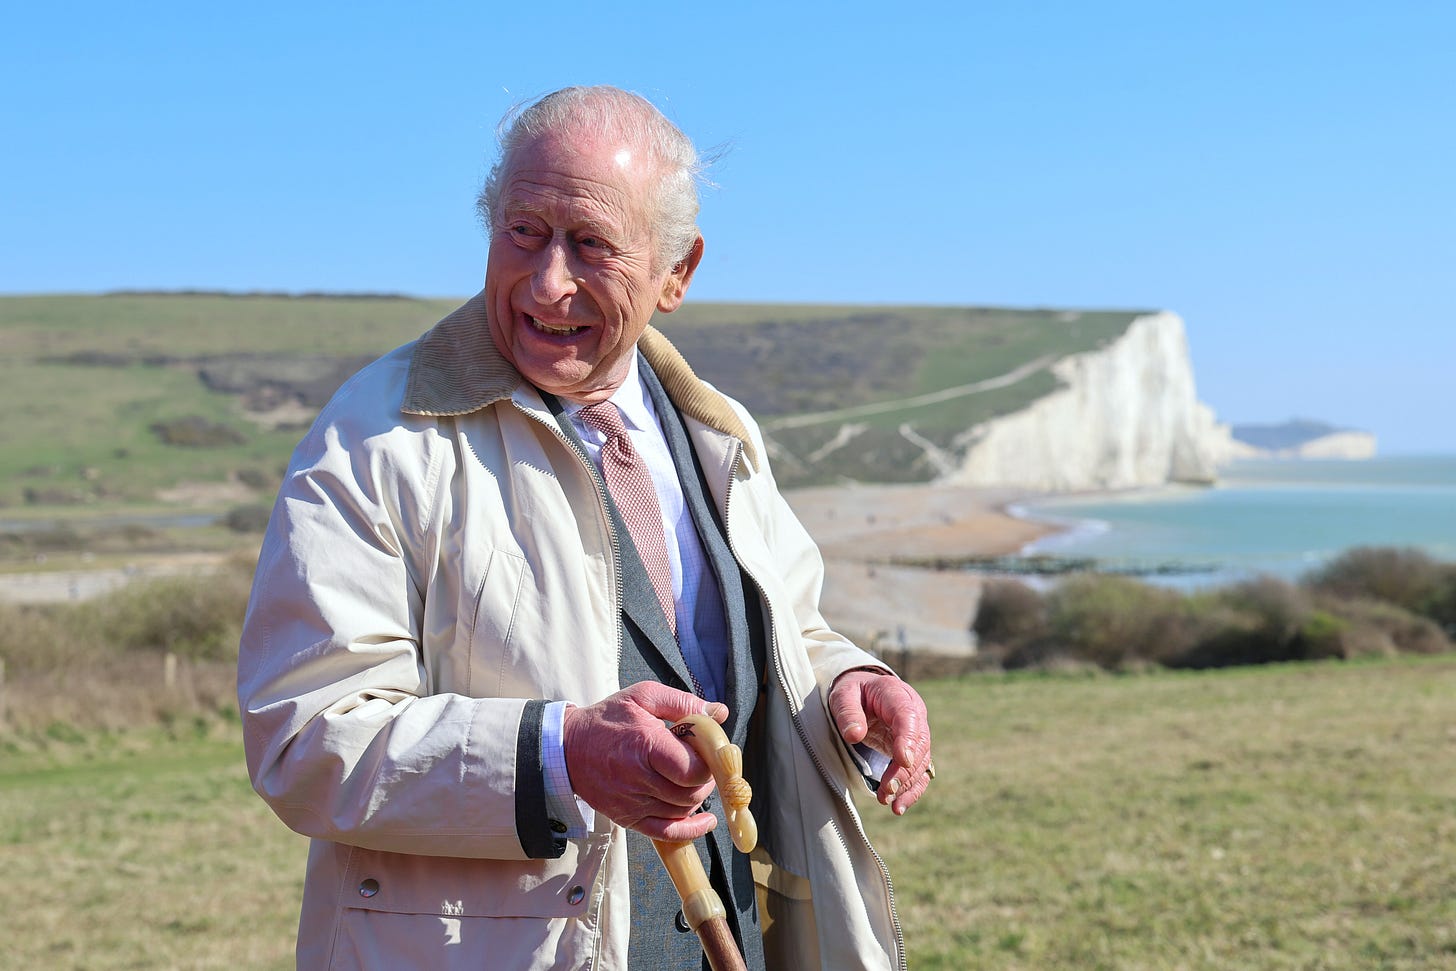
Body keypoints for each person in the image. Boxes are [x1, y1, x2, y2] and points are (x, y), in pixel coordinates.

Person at [238, 85, 934, 971]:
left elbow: (784, 631)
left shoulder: (720, 435)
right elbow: (304, 734)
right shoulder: (375, 437)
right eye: (523, 231)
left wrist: (846, 685)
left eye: (592, 244)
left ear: (678, 273)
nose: (547, 280)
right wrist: (560, 754)